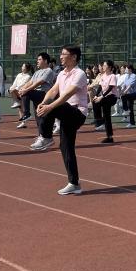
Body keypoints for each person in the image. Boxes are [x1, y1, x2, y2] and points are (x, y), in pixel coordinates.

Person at [35, 44, 89, 195]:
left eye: (64, 54)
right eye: (61, 54)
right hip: (66, 113)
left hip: (77, 113)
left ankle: (46, 137)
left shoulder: (79, 74)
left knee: (54, 106)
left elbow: (66, 95)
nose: (60, 56)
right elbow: (53, 91)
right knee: (66, 147)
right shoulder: (61, 73)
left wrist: (49, 106)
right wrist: (44, 103)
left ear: (74, 57)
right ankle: (74, 183)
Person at [15, 52, 56, 131]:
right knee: (38, 116)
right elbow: (30, 82)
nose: (37, 61)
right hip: (36, 94)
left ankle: (27, 114)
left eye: (39, 59)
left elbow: (39, 82)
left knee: (27, 93)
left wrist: (26, 90)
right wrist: (22, 88)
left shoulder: (49, 71)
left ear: (45, 61)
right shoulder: (37, 72)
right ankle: (40, 135)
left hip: (44, 94)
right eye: (37, 59)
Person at [92, 59, 119, 143]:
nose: (103, 67)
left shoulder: (112, 76)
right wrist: (96, 95)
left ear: (109, 67)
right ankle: (109, 137)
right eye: (103, 65)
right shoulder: (103, 75)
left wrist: (101, 97)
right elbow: (100, 87)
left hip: (112, 97)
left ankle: (100, 121)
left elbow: (110, 88)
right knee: (106, 115)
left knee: (100, 103)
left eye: (104, 65)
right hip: (105, 97)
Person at [119, 63, 136, 128]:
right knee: (131, 108)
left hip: (134, 94)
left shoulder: (134, 76)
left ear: (130, 69)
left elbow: (130, 85)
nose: (125, 70)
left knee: (124, 96)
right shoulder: (126, 76)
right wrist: (121, 91)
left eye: (126, 69)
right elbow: (124, 85)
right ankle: (132, 123)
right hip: (129, 94)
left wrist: (124, 92)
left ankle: (126, 110)